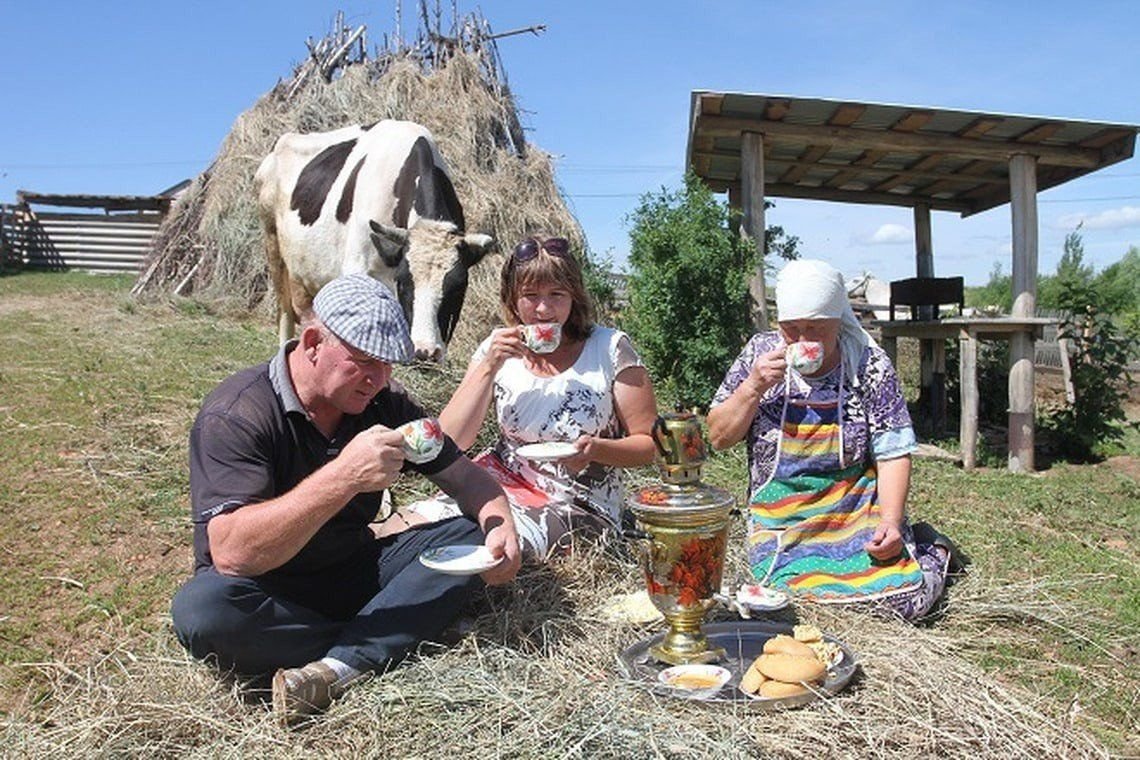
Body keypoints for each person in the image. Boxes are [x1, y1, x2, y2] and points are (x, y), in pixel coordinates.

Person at [170, 273, 521, 726]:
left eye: (389, 365)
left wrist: (500, 526)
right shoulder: (237, 414)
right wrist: (343, 477)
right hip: (266, 591)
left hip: (352, 570)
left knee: (469, 532)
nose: (378, 379)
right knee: (202, 613)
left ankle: (342, 663)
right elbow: (234, 553)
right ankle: (387, 637)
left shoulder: (385, 403)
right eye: (364, 361)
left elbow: (466, 479)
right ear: (313, 342)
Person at [706, 259, 953, 620]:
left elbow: (893, 453)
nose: (803, 341)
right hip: (782, 514)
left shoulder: (868, 365)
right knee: (776, 601)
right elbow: (718, 437)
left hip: (853, 509)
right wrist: (753, 387)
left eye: (816, 329)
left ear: (839, 320)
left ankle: (933, 551)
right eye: (792, 329)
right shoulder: (759, 356)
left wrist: (890, 521)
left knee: (900, 600)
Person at [397, 235, 658, 558]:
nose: (543, 309)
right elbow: (451, 442)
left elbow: (649, 445)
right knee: (408, 525)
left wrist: (598, 450)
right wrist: (489, 366)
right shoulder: (496, 349)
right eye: (530, 296)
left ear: (574, 297)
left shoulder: (609, 348)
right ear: (512, 299)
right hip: (497, 484)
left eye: (556, 295)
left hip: (578, 503)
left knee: (482, 544)